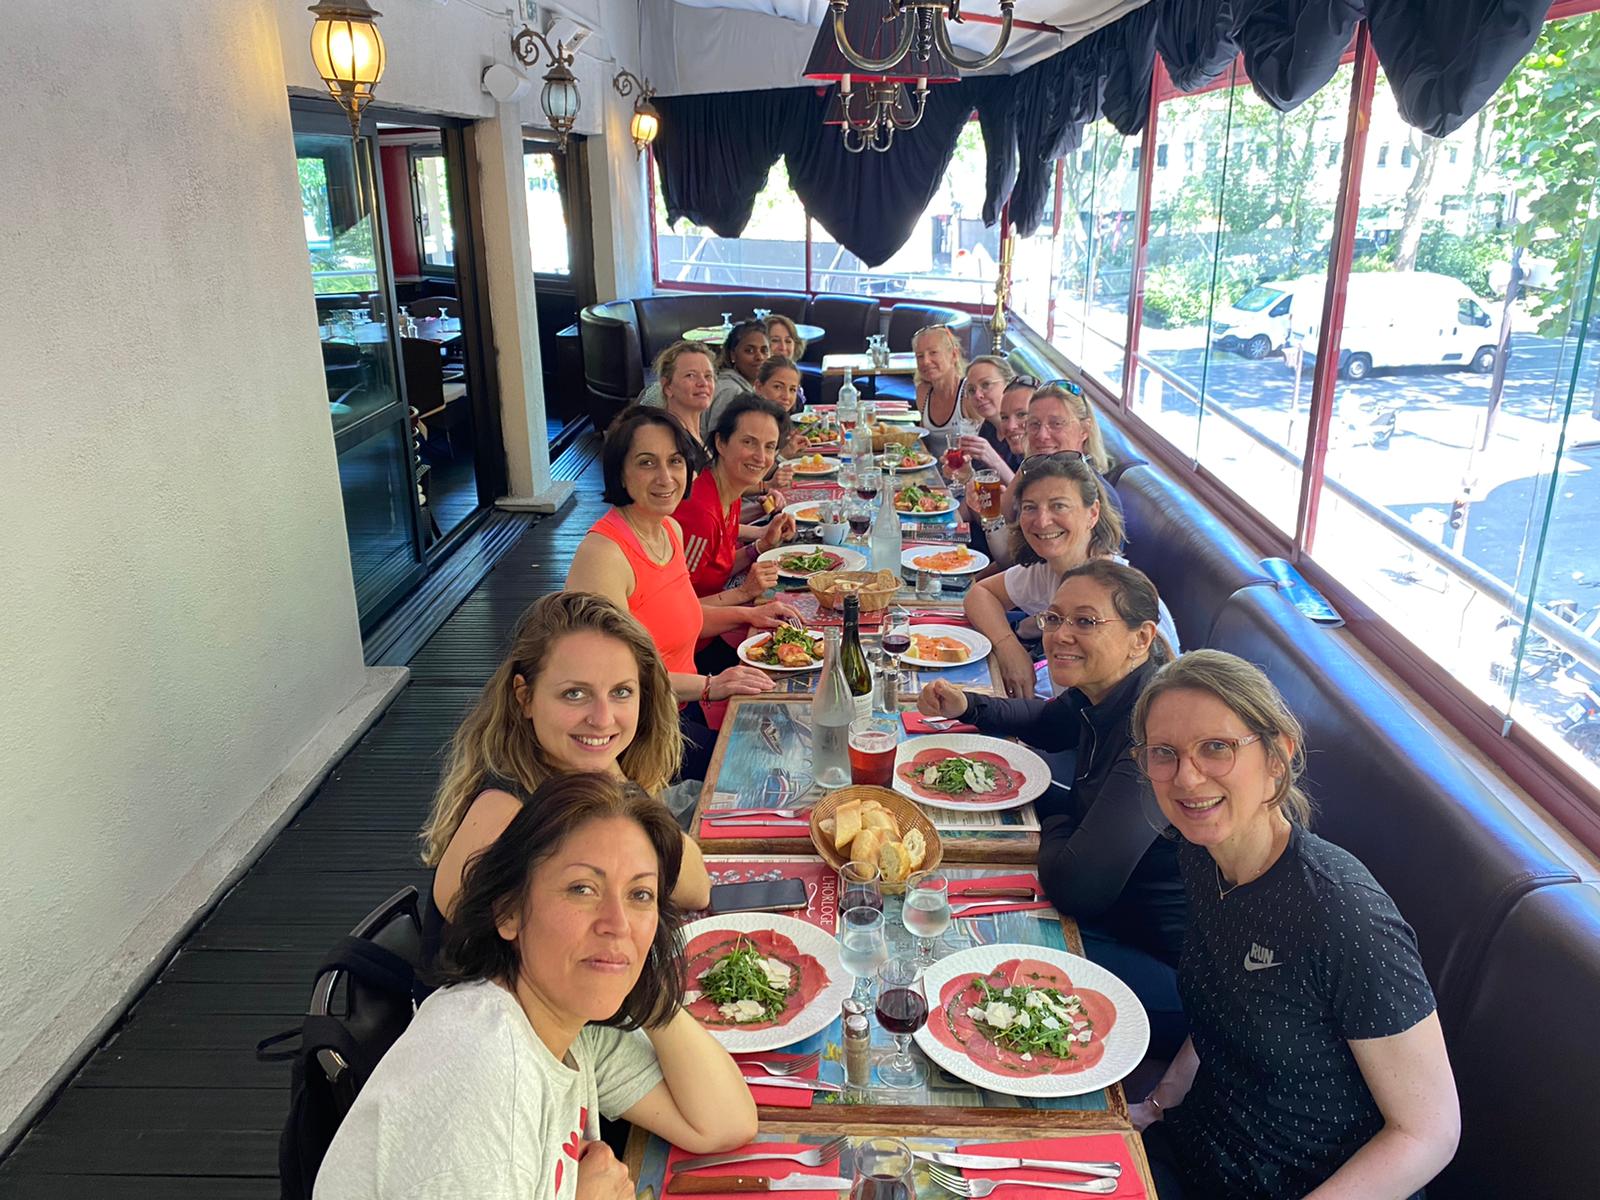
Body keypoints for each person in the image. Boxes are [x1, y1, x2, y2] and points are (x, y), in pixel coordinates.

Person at [319, 774, 758, 1198]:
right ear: (509, 912)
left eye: (639, 895)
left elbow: (725, 1122)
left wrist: (641, 985)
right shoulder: (483, 1088)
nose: (618, 923)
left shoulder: (563, 1019)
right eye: (582, 889)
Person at [1129, 651, 1459, 1200]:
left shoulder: (1343, 913)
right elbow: (1227, 1004)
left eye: (1217, 747)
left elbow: (1430, 1133)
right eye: (1165, 753)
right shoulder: (1201, 854)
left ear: (1277, 756)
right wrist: (1159, 1104)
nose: (1187, 777)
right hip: (1203, 1148)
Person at [918, 560, 1187, 1056]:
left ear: (1141, 638)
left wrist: (1058, 816)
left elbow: (1074, 886)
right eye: (1055, 618)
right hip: (1110, 909)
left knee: (966, 949)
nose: (1061, 634)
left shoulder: (1154, 734)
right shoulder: (1109, 690)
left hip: (1164, 973)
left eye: (1085, 621)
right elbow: (1048, 722)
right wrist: (969, 707)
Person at [417, 591, 712, 964]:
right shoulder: (503, 814)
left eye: (621, 692)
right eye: (574, 694)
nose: (602, 718)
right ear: (525, 697)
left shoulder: (597, 777)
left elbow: (695, 886)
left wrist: (616, 782)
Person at [565, 406, 788, 775]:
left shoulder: (669, 530)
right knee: (762, 766)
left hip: (679, 705)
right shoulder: (604, 555)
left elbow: (684, 617)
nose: (665, 477)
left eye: (675, 461)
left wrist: (750, 614)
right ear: (620, 472)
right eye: (647, 463)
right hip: (634, 733)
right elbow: (607, 680)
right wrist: (710, 685)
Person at [964, 453, 1177, 698]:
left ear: (1093, 513)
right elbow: (980, 594)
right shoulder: (1048, 571)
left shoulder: (1119, 596)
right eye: (1030, 507)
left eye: (1059, 506)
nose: (1042, 521)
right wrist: (1010, 649)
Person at [673, 395, 798, 601]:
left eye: (769, 446)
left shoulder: (729, 490)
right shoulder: (701, 514)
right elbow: (680, 606)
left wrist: (763, 544)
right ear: (721, 443)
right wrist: (744, 593)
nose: (760, 457)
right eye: (749, 442)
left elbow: (718, 570)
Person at [639, 341, 716, 462]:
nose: (703, 383)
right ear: (667, 387)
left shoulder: (693, 437)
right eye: (690, 375)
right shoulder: (668, 441)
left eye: (708, 376)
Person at [955, 355, 1018, 481]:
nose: (977, 395)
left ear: (1009, 384)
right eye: (971, 390)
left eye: (986, 384)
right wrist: (964, 473)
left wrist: (995, 461)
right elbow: (983, 482)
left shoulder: (1024, 432)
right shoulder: (987, 428)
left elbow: (1028, 492)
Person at [704, 320, 769, 432]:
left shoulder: (750, 387)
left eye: (764, 351)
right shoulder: (731, 392)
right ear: (733, 355)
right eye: (749, 351)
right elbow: (717, 438)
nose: (759, 357)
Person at [911, 324, 967, 436]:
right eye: (920, 356)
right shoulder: (923, 392)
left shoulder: (968, 394)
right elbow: (923, 440)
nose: (926, 361)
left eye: (933, 353)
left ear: (954, 355)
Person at [763, 314, 809, 409]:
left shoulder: (792, 372)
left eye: (788, 341)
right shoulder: (758, 379)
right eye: (775, 340)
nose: (783, 347)